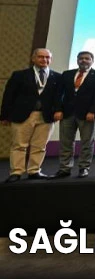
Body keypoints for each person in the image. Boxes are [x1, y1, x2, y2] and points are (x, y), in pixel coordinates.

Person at [1, 48, 61, 182]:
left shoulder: (57, 77)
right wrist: (4, 116)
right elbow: (8, 96)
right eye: (40, 57)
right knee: (19, 145)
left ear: (51, 60)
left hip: (46, 116)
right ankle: (16, 172)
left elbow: (59, 97)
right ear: (33, 58)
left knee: (40, 146)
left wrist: (58, 110)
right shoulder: (19, 75)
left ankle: (34, 171)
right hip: (23, 115)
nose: (44, 60)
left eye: (47, 57)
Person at [52, 51, 95, 179]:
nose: (84, 60)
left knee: (87, 143)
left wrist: (93, 111)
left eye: (87, 58)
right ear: (77, 60)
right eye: (81, 58)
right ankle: (65, 168)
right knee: (66, 142)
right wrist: (58, 110)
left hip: (88, 114)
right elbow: (59, 94)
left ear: (92, 61)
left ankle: (84, 167)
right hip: (67, 113)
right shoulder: (67, 74)